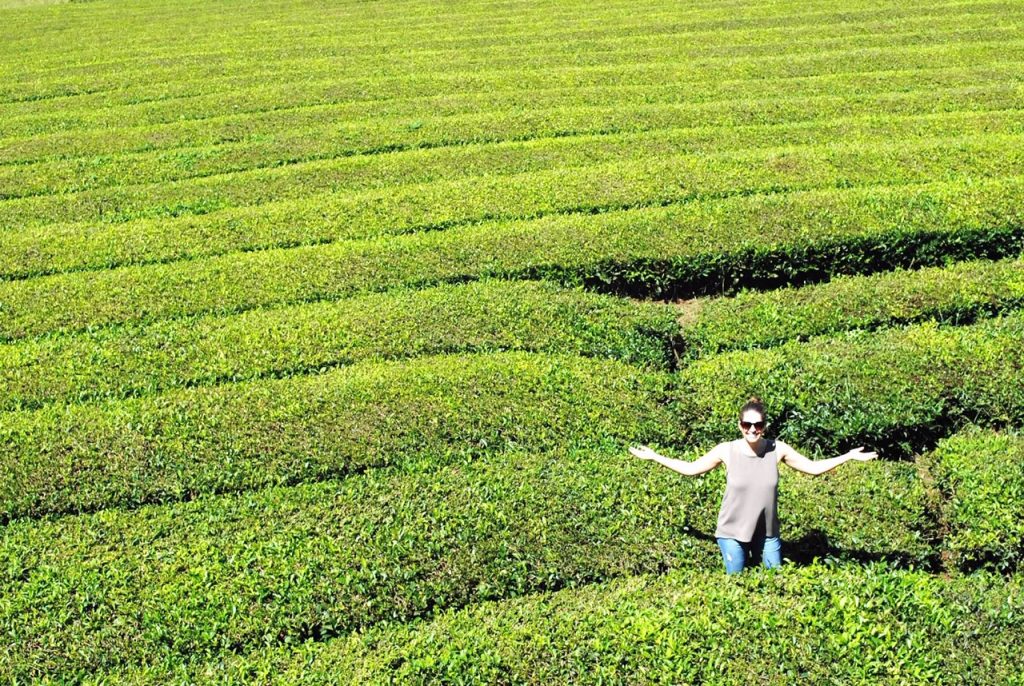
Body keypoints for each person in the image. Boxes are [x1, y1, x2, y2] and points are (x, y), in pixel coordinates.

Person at [629, 397, 877, 574]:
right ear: (740, 426)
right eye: (747, 425)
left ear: (764, 426)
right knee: (736, 583)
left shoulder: (777, 449)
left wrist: (848, 456)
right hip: (731, 533)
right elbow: (691, 469)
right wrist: (655, 456)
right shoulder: (726, 450)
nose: (752, 429)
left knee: (775, 581)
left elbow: (812, 468)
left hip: (767, 534)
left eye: (757, 425)